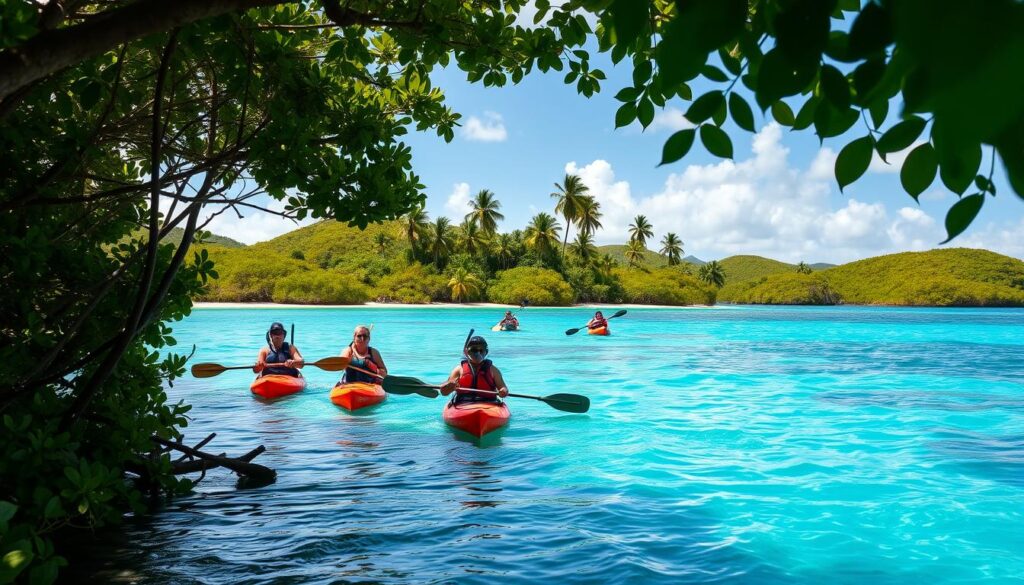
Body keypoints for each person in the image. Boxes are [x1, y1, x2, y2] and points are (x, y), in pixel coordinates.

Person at [440, 336, 509, 404]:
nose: (478, 353)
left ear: (486, 352)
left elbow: (503, 387)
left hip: (489, 403)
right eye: (474, 350)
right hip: (463, 403)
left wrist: (503, 391)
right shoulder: (459, 369)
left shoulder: (493, 370)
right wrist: (449, 386)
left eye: (481, 350)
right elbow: (444, 393)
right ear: (467, 352)